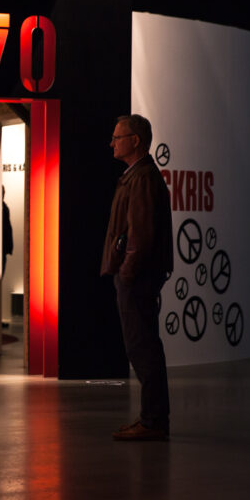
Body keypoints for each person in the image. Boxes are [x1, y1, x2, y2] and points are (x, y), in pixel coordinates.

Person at [100, 115, 173, 440]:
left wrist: (127, 272)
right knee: (142, 346)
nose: (112, 143)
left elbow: (140, 235)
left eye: (117, 137)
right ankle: (151, 419)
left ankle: (153, 421)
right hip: (137, 275)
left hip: (137, 277)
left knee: (142, 347)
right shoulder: (137, 176)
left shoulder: (142, 178)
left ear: (135, 141)